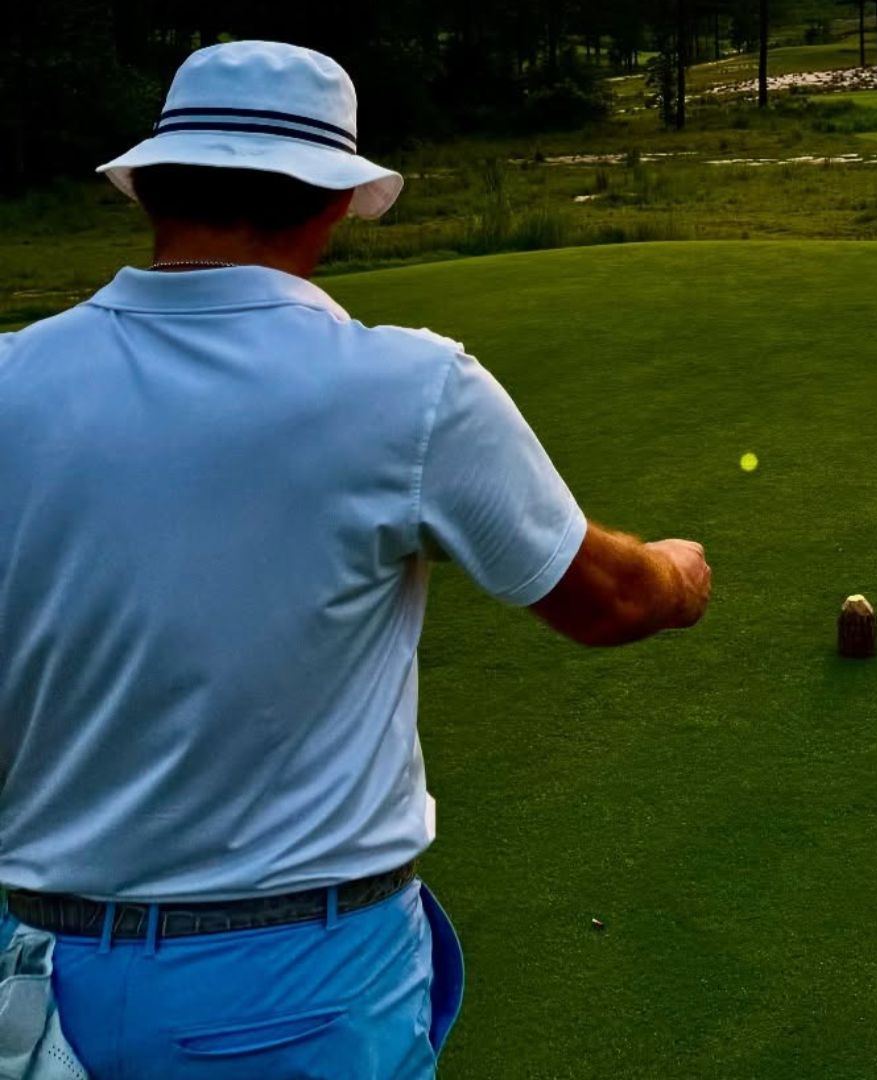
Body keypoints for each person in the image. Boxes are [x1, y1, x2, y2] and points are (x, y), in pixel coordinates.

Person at [0, 41, 711, 1078]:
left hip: (35, 977)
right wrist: (677, 577)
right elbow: (604, 601)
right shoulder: (410, 391)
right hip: (288, 991)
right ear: (334, 202)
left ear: (149, 188)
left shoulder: (10, 380)